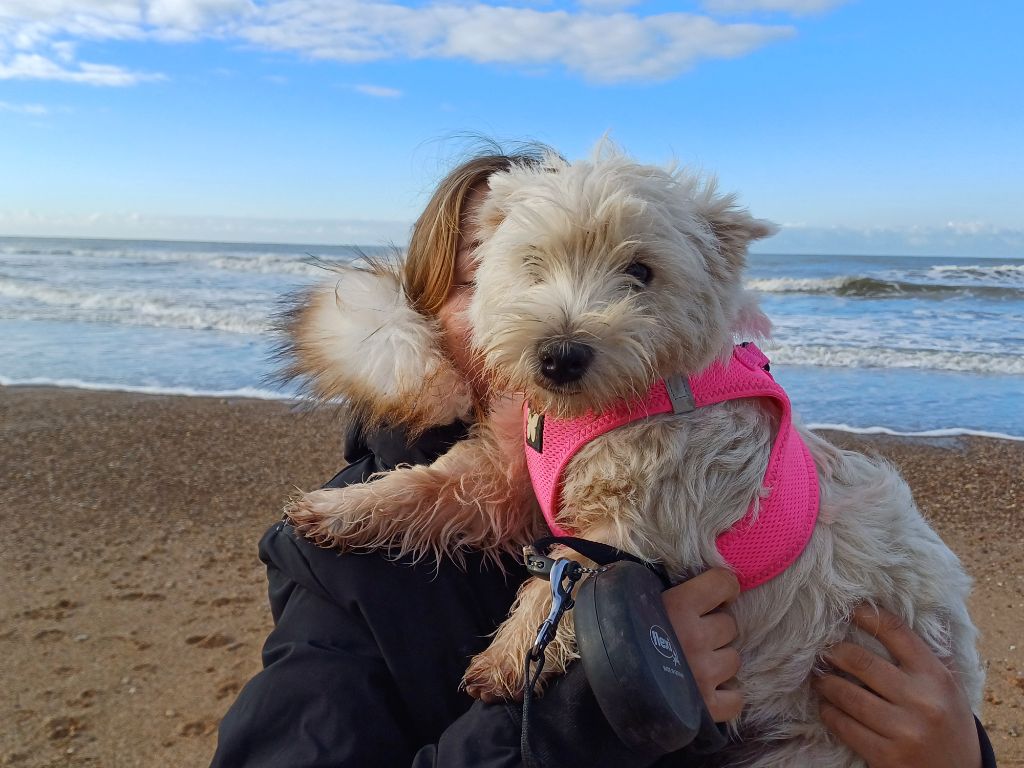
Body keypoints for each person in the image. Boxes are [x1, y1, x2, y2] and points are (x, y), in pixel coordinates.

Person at [211, 147, 996, 768]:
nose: (568, 325)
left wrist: (962, 755)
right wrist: (602, 702)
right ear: (413, 315)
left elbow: (905, 711)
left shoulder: (685, 434)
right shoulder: (340, 574)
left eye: (635, 273)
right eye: (513, 271)